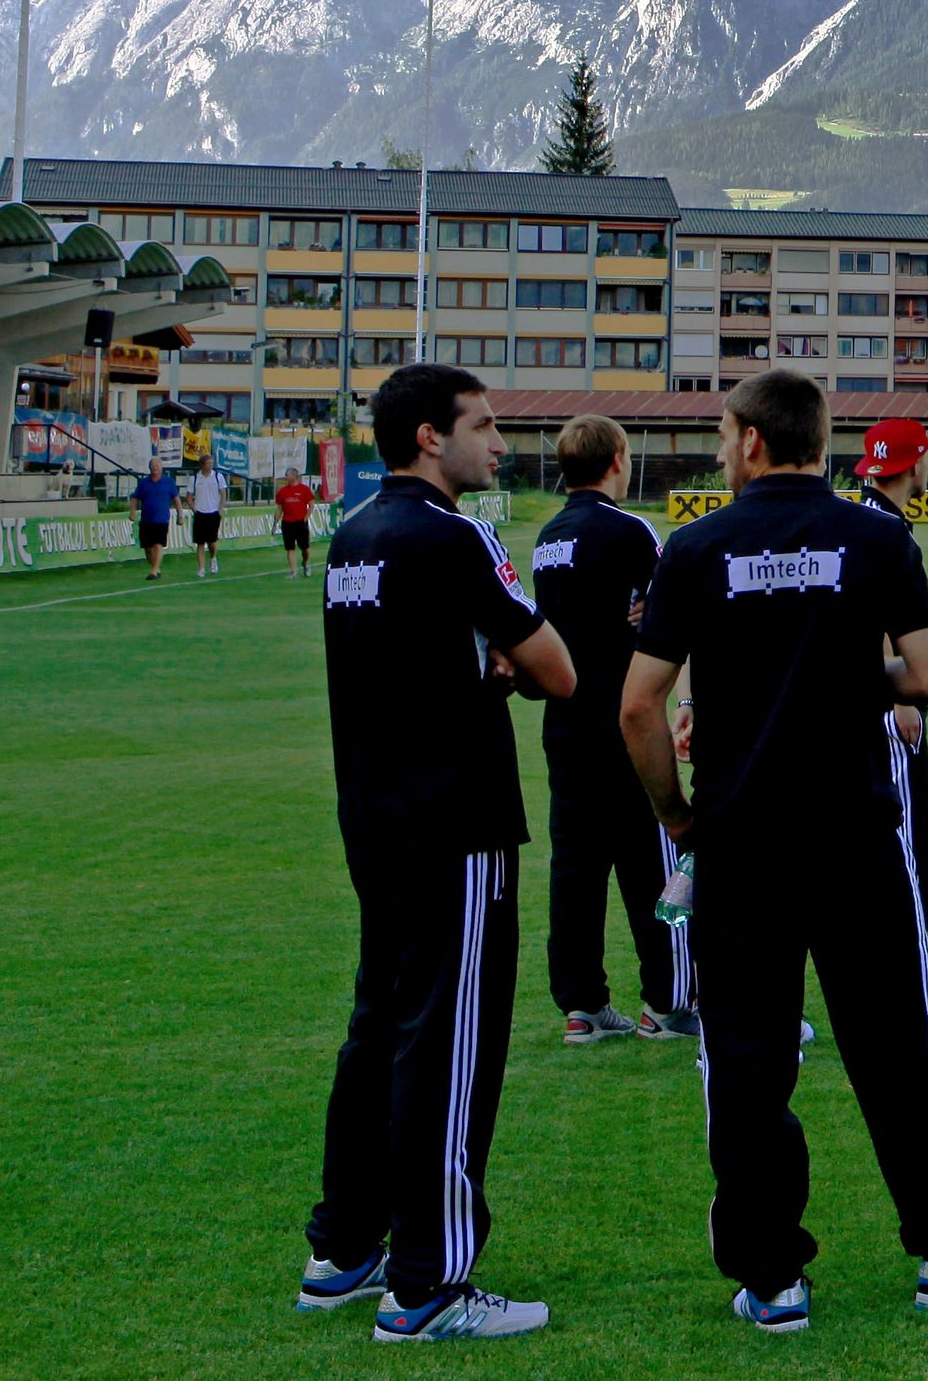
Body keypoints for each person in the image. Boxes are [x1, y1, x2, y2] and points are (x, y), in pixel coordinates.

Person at [621, 370, 928, 1331]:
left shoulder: (695, 546)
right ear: (819, 440)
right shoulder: (878, 537)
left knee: (748, 1062)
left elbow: (638, 705)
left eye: (724, 435)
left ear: (751, 443)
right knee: (894, 1052)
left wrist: (677, 816)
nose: (722, 449)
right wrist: (855, 667)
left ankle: (771, 1278)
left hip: (742, 845)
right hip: (854, 842)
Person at [297, 362, 572, 1341]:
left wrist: (481, 668)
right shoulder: (452, 534)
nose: (498, 443)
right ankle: (427, 1283)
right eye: (484, 425)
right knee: (449, 1046)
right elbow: (557, 669)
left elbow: (420, 669)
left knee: (380, 1028)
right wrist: (507, 666)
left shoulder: (354, 537)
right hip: (455, 824)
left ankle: (343, 1248)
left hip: (376, 818)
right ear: (427, 437)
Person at [531, 413, 681, 1045]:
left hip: (564, 724)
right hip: (624, 719)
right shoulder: (628, 530)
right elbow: (671, 613)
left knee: (576, 869)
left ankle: (582, 1006)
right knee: (651, 864)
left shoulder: (549, 536)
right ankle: (667, 1002)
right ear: (618, 459)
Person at [850, 416, 928, 999]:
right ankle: (917, 960)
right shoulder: (886, 530)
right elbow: (880, 615)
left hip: (868, 704)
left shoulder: (863, 517)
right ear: (916, 465)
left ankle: (897, 955)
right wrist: (902, 700)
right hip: (890, 706)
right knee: (907, 837)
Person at [135, 460, 178, 580]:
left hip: (161, 519)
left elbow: (176, 498)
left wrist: (180, 514)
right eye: (152, 466)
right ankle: (156, 567)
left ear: (161, 467)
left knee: (158, 544)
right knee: (148, 548)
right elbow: (135, 498)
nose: (155, 468)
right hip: (146, 519)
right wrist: (132, 512)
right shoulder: (144, 483)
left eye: (157, 466)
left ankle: (154, 571)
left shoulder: (168, 482)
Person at [277, 469, 321, 574]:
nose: (286, 477)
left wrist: (305, 518)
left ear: (294, 476)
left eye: (287, 475)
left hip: (300, 522)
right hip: (287, 522)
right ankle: (293, 572)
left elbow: (311, 505)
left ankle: (306, 562)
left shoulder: (304, 489)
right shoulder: (282, 491)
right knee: (290, 548)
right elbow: (279, 508)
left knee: (305, 548)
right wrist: (275, 523)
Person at [188, 458, 228, 572]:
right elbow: (189, 496)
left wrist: (220, 509)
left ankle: (213, 558)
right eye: (208, 463)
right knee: (200, 543)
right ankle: (201, 568)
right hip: (200, 513)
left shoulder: (218, 477)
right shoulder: (194, 478)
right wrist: (194, 509)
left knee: (212, 542)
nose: (211, 465)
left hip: (213, 512)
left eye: (212, 463)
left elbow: (223, 494)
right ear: (202, 465)